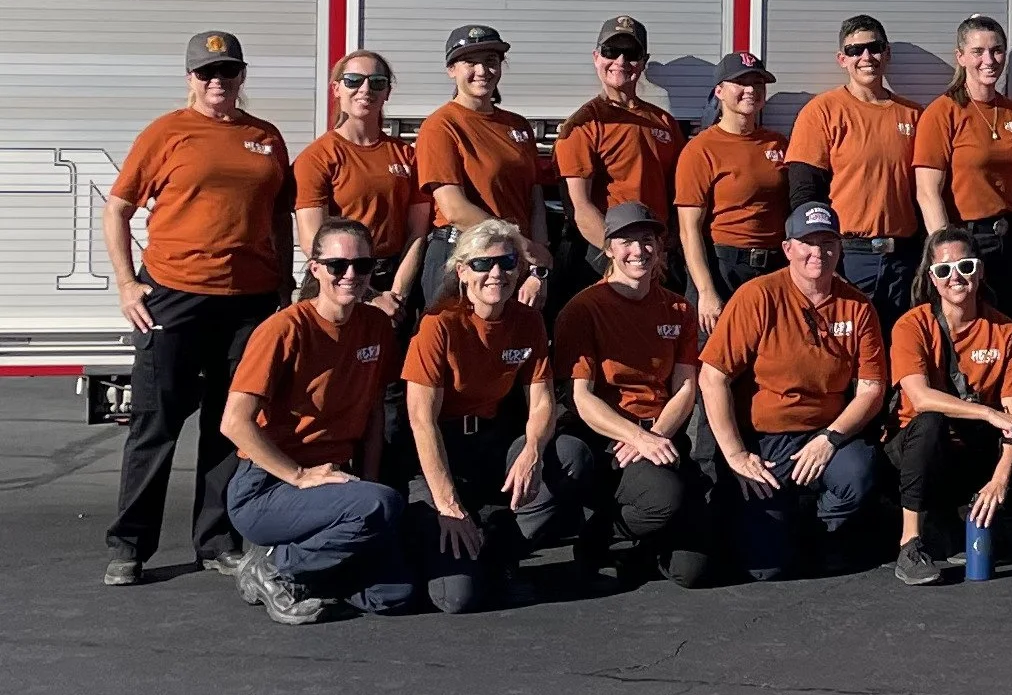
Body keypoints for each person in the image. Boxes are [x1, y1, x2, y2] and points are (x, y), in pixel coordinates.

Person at [101, 30, 293, 588]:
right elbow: (117, 210)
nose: (218, 82)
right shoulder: (167, 132)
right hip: (176, 295)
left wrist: (284, 284)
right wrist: (127, 283)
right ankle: (130, 546)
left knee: (230, 424)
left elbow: (279, 215)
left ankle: (215, 541)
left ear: (241, 77)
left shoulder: (266, 137)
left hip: (249, 302)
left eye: (228, 72)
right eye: (207, 72)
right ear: (189, 78)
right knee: (155, 424)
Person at [219, 219, 412, 624]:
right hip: (268, 487)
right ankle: (274, 567)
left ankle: (307, 567)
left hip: (337, 482)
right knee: (380, 507)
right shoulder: (284, 329)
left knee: (393, 594)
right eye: (338, 265)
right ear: (316, 268)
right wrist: (300, 475)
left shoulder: (375, 325)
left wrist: (370, 480)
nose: (351, 276)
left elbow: (375, 410)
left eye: (362, 265)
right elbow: (234, 423)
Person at [403, 218, 592, 613]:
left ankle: (498, 550)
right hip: (443, 454)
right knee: (456, 598)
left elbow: (541, 402)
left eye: (507, 263)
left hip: (492, 444)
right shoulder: (438, 326)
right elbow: (422, 421)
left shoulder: (528, 321)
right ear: (462, 272)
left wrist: (533, 451)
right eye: (482, 265)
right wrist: (448, 503)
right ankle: (458, 547)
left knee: (571, 455)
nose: (496, 274)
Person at [699, 202, 888, 580]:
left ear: (840, 248)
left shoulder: (858, 307)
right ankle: (781, 520)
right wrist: (736, 454)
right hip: (767, 441)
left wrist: (830, 439)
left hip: (825, 434)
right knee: (765, 568)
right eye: (807, 242)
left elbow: (871, 387)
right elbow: (712, 376)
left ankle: (822, 528)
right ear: (788, 249)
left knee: (858, 473)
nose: (818, 252)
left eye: (828, 242)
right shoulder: (758, 296)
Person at [886, 227, 1012, 585]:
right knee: (931, 421)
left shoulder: (1005, 330)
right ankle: (910, 542)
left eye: (965, 267)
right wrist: (986, 411)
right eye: (944, 270)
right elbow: (919, 398)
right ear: (932, 278)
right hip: (922, 446)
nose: (956, 277)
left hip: (976, 448)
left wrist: (999, 479)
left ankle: (969, 514)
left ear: (979, 271)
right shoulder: (912, 325)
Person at [552, 203, 713, 588]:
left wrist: (655, 435)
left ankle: (633, 543)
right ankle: (599, 534)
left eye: (647, 241)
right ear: (608, 248)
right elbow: (581, 396)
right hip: (609, 440)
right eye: (626, 241)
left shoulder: (678, 308)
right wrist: (635, 437)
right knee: (663, 499)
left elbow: (686, 386)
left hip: (660, 435)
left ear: (660, 247)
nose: (638, 251)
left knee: (693, 571)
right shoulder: (584, 308)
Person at [786, 14, 924, 326]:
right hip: (848, 256)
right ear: (842, 59)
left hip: (904, 259)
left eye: (874, 48)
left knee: (899, 352)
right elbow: (804, 195)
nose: (866, 57)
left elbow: (927, 192)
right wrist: (823, 260)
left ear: (886, 53)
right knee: (845, 352)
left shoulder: (915, 116)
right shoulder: (821, 112)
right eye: (854, 50)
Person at [913, 15, 1012, 339]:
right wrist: (947, 256)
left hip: (1010, 242)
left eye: (997, 51)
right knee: (967, 335)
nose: (989, 60)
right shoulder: (942, 113)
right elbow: (927, 193)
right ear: (960, 57)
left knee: (1010, 335)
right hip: (966, 243)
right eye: (978, 51)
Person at [413, 24, 548, 310]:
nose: (483, 71)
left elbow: (534, 199)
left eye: (491, 61)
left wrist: (539, 265)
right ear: (451, 69)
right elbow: (454, 209)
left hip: (513, 261)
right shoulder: (441, 126)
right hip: (461, 256)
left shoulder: (518, 125)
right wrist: (520, 245)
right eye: (470, 62)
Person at [292, 50, 428, 321]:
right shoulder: (317, 157)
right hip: (336, 282)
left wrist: (396, 296)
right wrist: (370, 296)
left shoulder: (408, 156)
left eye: (377, 82)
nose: (365, 89)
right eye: (354, 80)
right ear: (336, 89)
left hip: (394, 281)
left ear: (387, 92)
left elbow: (418, 233)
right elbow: (313, 243)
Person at [556, 15, 685, 282]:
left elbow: (678, 196)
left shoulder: (664, 122)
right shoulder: (584, 124)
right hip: (607, 258)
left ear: (644, 62)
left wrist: (665, 248)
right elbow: (580, 206)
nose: (621, 61)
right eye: (611, 52)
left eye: (631, 53)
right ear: (596, 57)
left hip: (656, 256)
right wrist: (617, 255)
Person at [675, 51, 791, 338]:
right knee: (714, 361)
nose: (751, 90)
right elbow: (689, 230)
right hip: (723, 267)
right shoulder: (701, 150)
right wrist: (706, 291)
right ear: (719, 91)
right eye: (741, 82)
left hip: (774, 267)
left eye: (758, 83)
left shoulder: (778, 143)